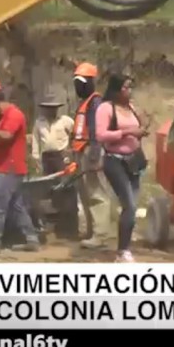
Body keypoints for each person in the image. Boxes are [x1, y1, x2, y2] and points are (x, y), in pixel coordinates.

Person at [0, 77, 40, 255]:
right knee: (16, 206)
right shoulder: (3, 117)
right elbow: (0, 141)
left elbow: (7, 135)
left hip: (9, 168)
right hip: (5, 166)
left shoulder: (14, 115)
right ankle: (31, 239)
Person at [95, 74, 149, 263]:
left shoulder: (131, 108)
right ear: (116, 90)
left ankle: (124, 247)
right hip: (115, 161)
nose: (129, 91)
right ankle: (123, 251)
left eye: (131, 87)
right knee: (129, 205)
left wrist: (141, 131)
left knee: (131, 208)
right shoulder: (106, 108)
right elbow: (101, 135)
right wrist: (127, 132)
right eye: (125, 87)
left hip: (133, 160)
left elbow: (137, 129)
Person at [70, 62, 114, 249]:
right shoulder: (85, 102)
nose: (78, 87)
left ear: (90, 82)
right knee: (86, 193)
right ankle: (92, 231)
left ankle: (101, 235)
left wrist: (95, 156)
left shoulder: (96, 103)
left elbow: (97, 130)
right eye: (76, 83)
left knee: (97, 193)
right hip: (82, 150)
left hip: (91, 150)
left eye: (81, 83)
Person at [31, 92, 78, 239]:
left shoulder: (66, 121)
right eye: (48, 108)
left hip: (62, 157)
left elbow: (76, 134)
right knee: (49, 190)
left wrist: (71, 150)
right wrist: (36, 158)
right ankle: (52, 225)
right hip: (46, 158)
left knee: (66, 188)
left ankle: (69, 228)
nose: (50, 110)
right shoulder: (39, 122)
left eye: (53, 108)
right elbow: (36, 141)